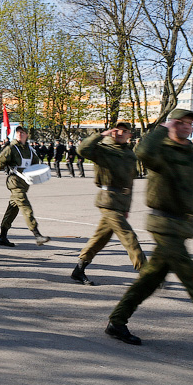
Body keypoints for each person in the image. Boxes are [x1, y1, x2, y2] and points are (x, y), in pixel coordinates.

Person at [104, 109, 193, 358]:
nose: (185, 127)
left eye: (189, 123)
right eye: (180, 122)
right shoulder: (161, 150)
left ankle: (117, 322)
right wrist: (161, 128)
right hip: (164, 224)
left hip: (182, 226)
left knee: (150, 278)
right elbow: (142, 152)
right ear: (171, 124)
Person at [71, 122, 146, 285]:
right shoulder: (103, 149)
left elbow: (130, 184)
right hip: (107, 199)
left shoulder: (130, 155)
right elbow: (82, 149)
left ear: (129, 135)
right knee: (128, 235)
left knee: (101, 238)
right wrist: (101, 135)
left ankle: (79, 269)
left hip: (121, 202)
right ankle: (146, 272)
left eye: (124, 131)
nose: (120, 133)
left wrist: (126, 208)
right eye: (117, 130)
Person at [0, 126, 50, 247]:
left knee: (12, 209)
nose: (19, 134)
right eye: (17, 132)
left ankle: (2, 236)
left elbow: (36, 165)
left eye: (22, 132)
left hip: (25, 183)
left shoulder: (30, 150)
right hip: (14, 182)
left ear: (27, 135)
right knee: (25, 206)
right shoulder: (11, 149)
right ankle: (37, 235)